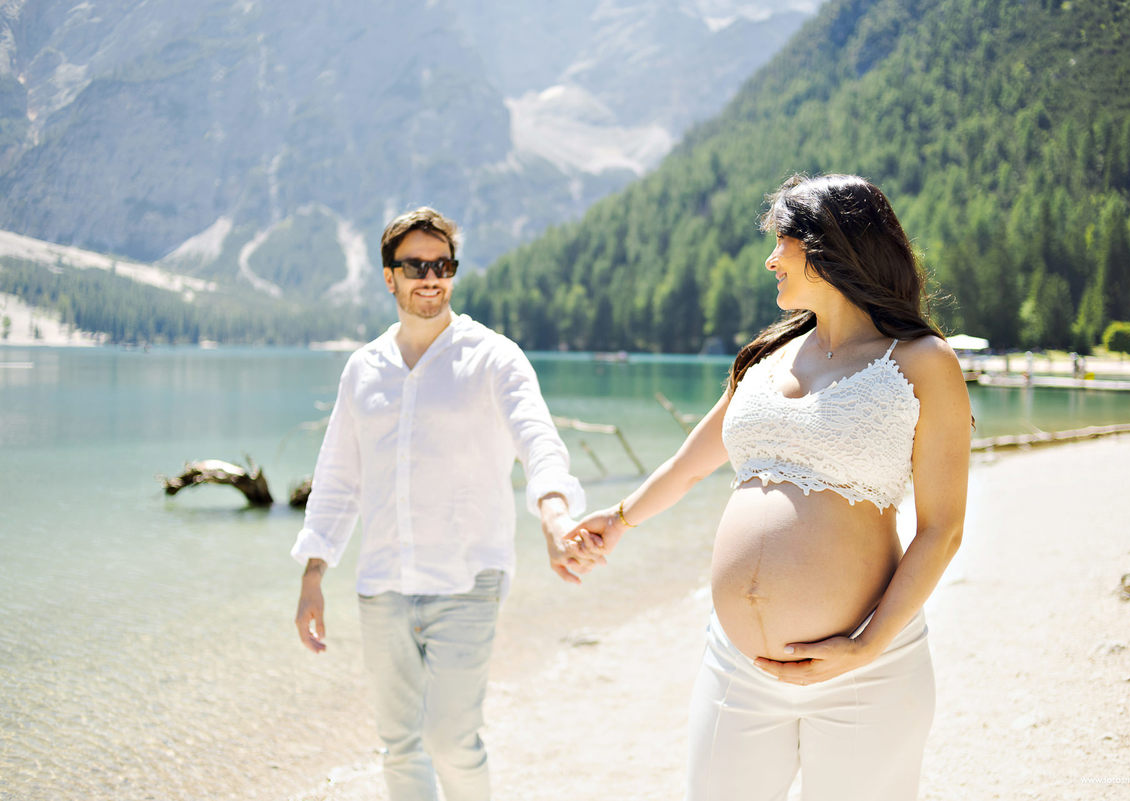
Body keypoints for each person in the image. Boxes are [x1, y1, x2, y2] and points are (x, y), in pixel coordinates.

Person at [575, 174, 972, 800]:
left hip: (867, 673)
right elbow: (687, 466)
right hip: (736, 667)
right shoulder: (765, 357)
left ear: (824, 247)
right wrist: (619, 520)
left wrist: (866, 647)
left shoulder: (922, 361)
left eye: (779, 242)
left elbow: (941, 529)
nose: (769, 260)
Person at [290, 207, 598, 801]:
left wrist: (556, 515)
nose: (430, 278)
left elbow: (537, 440)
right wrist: (313, 571)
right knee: (398, 743)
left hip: (466, 580)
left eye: (443, 265)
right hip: (381, 585)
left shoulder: (494, 357)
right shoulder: (363, 369)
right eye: (415, 266)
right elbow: (337, 480)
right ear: (389, 276)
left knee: (452, 740)